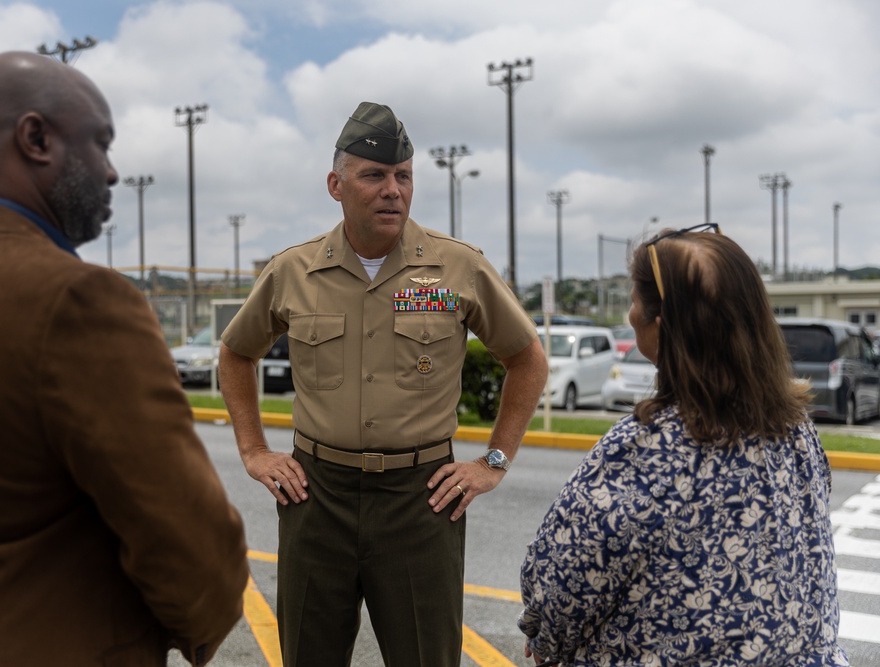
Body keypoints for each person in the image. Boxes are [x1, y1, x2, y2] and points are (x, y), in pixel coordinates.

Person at [0, 52, 248, 666]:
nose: (110, 173)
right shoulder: (78, 300)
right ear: (36, 138)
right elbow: (189, 542)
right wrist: (203, 625)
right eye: (100, 144)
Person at [218, 101, 548, 666]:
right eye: (374, 175)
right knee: (308, 654)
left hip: (420, 500)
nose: (392, 189)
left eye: (403, 176)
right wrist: (253, 450)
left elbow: (527, 358)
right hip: (315, 495)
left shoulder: (457, 269)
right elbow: (234, 353)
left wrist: (493, 460)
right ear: (336, 184)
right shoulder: (292, 271)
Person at [518, 223, 849, 666]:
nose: (629, 314)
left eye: (634, 301)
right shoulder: (797, 430)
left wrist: (544, 641)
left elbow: (564, 582)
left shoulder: (646, 448)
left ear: (660, 325)